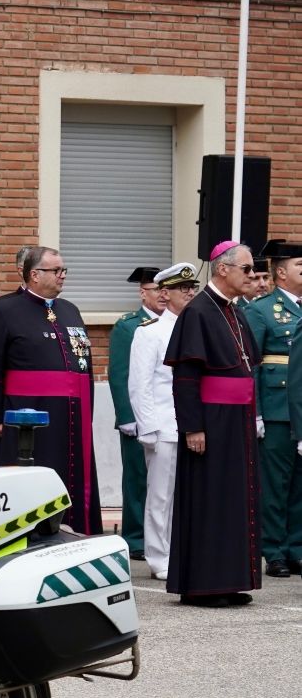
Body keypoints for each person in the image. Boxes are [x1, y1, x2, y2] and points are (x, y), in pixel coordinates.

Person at [0, 246, 102, 534]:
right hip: (26, 417)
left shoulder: (70, 310)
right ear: (34, 275)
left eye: (64, 271)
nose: (62, 276)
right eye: (56, 271)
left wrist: (87, 413)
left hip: (71, 418)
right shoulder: (4, 309)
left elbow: (84, 365)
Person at [164, 241, 261, 606]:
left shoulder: (233, 312)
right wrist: (192, 427)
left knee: (233, 500)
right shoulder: (199, 312)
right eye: (247, 268)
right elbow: (186, 377)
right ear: (223, 269)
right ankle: (203, 585)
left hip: (236, 419)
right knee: (210, 500)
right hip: (211, 421)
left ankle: (229, 579)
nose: (251, 275)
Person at [129, 262, 198, 581]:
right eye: (182, 289)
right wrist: (148, 428)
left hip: (194, 426)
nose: (190, 293)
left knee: (190, 494)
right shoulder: (150, 333)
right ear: (165, 293)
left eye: (192, 288)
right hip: (165, 425)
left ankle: (186, 552)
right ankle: (159, 556)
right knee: (161, 495)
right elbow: (139, 384)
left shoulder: (198, 328)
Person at [242, 239, 302, 577]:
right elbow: (251, 364)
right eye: (300, 267)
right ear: (280, 273)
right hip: (277, 406)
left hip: (301, 408)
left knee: (300, 483)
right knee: (276, 482)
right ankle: (274, 549)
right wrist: (258, 412)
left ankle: (297, 547)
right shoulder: (262, 309)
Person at [107, 267, 166, 560]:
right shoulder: (129, 326)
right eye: (156, 290)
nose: (162, 295)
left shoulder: (175, 323)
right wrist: (127, 416)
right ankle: (135, 537)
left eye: (165, 289)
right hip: (137, 416)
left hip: (166, 413)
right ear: (143, 293)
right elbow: (119, 374)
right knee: (137, 477)